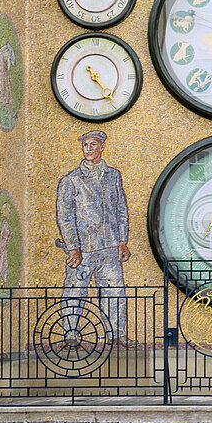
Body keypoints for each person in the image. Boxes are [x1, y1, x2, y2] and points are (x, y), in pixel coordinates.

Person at [56, 132, 130, 344]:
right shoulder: (71, 180)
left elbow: (121, 208)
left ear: (102, 147)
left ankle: (116, 336)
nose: (88, 149)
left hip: (110, 246)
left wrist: (122, 240)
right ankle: (70, 335)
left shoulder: (113, 176)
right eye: (85, 145)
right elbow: (65, 216)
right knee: (75, 292)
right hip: (84, 249)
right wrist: (73, 247)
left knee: (114, 292)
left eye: (93, 145)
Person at [0, 42, 16, 115]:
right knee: (6, 93)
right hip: (3, 75)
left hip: (3, 75)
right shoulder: (3, 53)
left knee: (7, 92)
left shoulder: (3, 53)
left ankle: (10, 110)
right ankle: (10, 111)